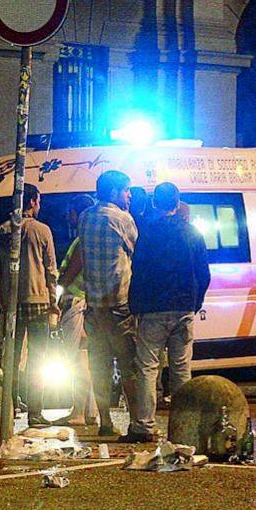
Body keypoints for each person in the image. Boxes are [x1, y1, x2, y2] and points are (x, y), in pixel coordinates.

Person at [128, 182, 211, 443]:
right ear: (177, 202)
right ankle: (182, 424)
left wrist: (136, 305)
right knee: (181, 367)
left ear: (155, 203)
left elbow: (138, 272)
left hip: (152, 308)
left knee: (147, 368)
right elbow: (204, 274)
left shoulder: (148, 233)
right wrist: (195, 302)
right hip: (183, 307)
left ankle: (143, 426)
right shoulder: (192, 232)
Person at [78, 170, 140, 437]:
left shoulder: (85, 217)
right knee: (129, 365)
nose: (129, 195)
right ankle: (137, 422)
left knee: (100, 366)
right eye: (126, 190)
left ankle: (105, 421)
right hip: (119, 303)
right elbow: (134, 250)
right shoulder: (123, 219)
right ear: (115, 192)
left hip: (93, 305)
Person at [0, 184, 59, 424]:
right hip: (38, 300)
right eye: (38, 201)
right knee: (38, 358)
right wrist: (54, 302)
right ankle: (35, 412)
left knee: (10, 355)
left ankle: (9, 404)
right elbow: (51, 270)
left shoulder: (3, 230)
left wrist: (1, 295)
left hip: (11, 303)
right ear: (32, 202)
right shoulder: (42, 231)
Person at [56, 194, 99, 425]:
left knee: (76, 360)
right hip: (87, 303)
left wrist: (56, 292)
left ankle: (78, 412)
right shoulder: (91, 239)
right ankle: (89, 412)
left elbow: (70, 273)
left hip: (75, 303)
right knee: (84, 358)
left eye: (71, 212)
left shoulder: (82, 241)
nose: (67, 216)